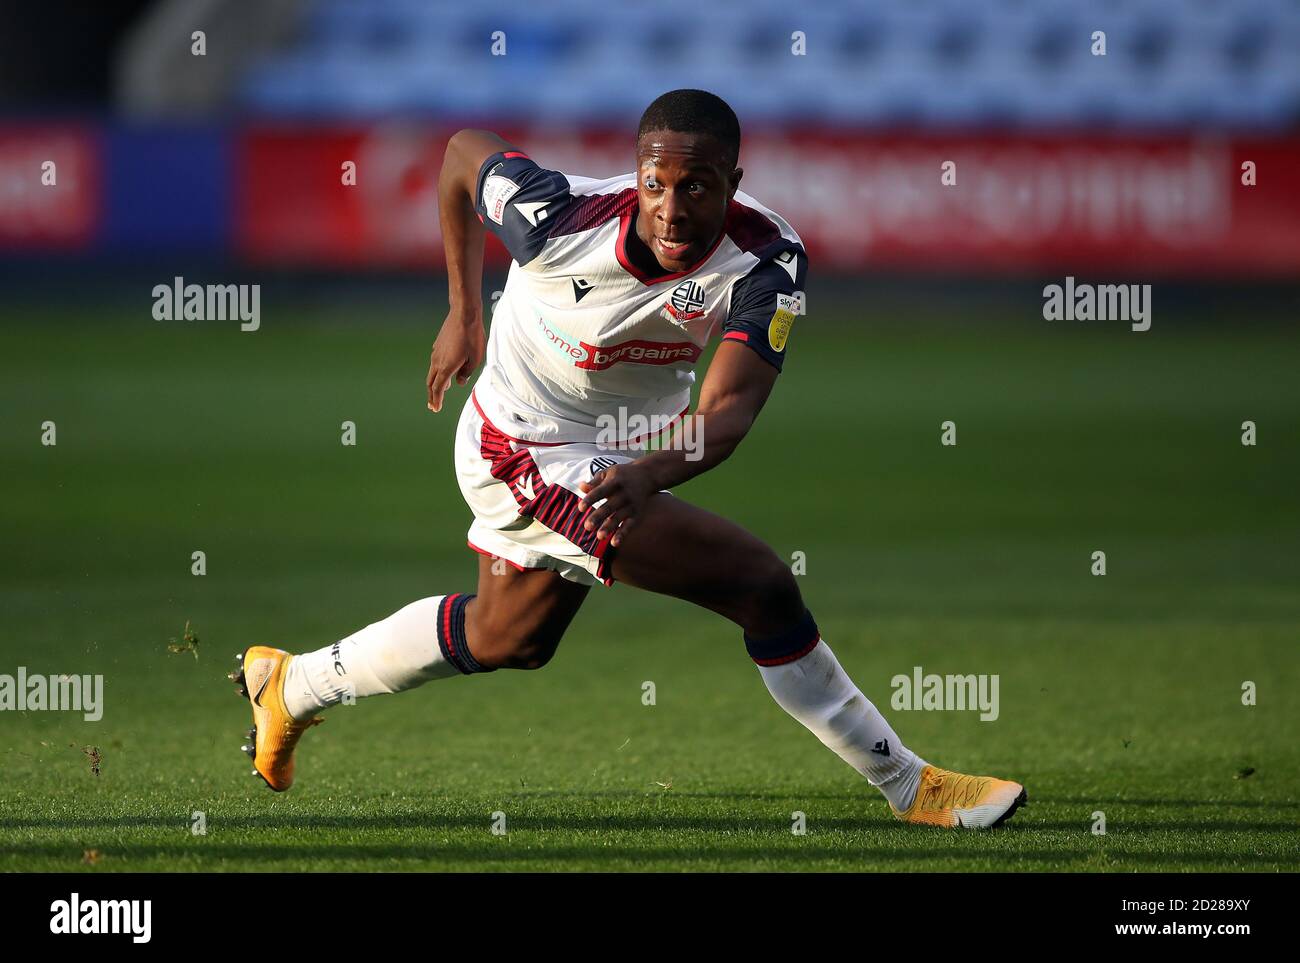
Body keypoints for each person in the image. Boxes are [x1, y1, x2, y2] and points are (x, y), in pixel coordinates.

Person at [231, 89, 1026, 830]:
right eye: (657, 182)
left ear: (734, 182)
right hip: (521, 445)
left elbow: (728, 411)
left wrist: (647, 471)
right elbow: (461, 154)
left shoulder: (767, 260)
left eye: (698, 187)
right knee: (759, 584)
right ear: (639, 172)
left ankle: (289, 684)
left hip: (617, 456)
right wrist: (464, 311)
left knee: (510, 635)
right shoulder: (557, 215)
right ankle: (910, 785)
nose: (672, 209)